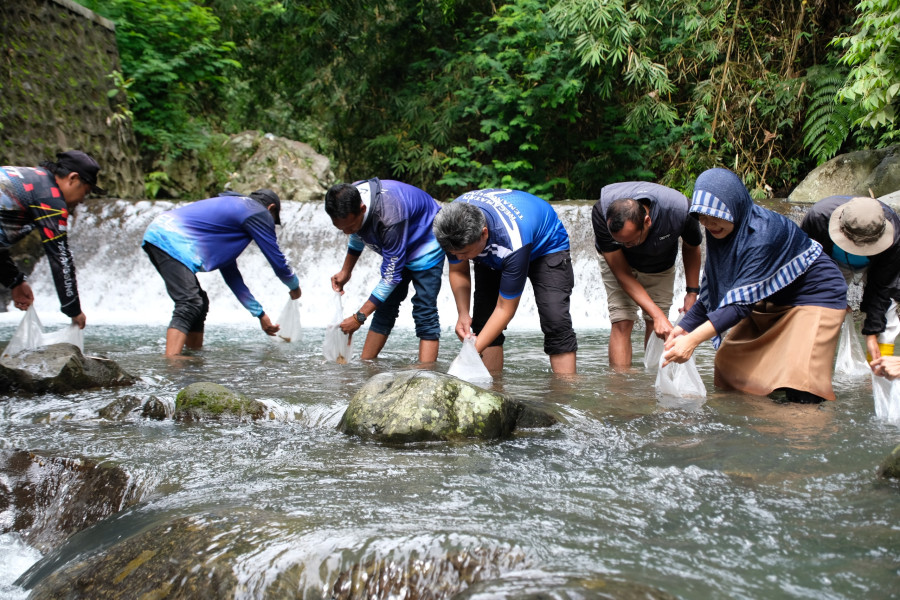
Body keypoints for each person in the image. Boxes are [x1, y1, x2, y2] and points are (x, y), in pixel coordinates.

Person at [663, 168, 848, 402]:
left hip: (815, 295)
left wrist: (692, 340)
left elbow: (739, 306)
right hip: (771, 296)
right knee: (729, 365)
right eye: (702, 216)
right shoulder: (720, 232)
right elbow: (715, 293)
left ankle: (803, 431)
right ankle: (755, 424)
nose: (709, 224)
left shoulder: (763, 234)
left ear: (734, 207)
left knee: (802, 383)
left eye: (716, 216)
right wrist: (684, 327)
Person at [432, 188, 577, 374]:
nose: (460, 258)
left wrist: (467, 356)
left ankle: (565, 395)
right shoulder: (451, 228)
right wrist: (463, 313)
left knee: (555, 320)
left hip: (546, 246)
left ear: (484, 233)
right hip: (493, 249)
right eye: (455, 254)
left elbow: (505, 309)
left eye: (464, 253)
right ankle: (492, 391)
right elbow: (458, 270)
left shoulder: (511, 241)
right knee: (483, 323)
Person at [142, 189, 301, 356]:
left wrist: (260, 314)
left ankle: (192, 357)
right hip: (170, 238)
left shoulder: (228, 222)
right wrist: (294, 285)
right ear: (271, 208)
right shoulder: (258, 211)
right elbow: (278, 262)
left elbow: (232, 277)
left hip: (159, 232)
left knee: (200, 302)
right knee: (189, 302)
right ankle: (172, 361)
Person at [325, 179, 444, 362]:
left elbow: (390, 278)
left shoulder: (389, 216)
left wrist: (359, 318)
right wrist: (346, 271)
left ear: (363, 209)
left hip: (425, 241)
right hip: (398, 242)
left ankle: (426, 373)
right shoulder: (349, 196)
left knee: (424, 309)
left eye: (349, 226)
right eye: (341, 228)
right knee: (385, 306)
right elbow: (357, 234)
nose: (346, 232)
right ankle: (366, 363)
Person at [592, 182, 702, 369]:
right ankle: (621, 387)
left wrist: (692, 292)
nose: (627, 246)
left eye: (631, 240)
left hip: (660, 262)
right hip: (618, 264)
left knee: (656, 326)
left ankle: (653, 386)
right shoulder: (602, 213)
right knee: (622, 320)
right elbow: (623, 274)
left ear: (647, 221)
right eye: (621, 242)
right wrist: (657, 313)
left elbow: (692, 246)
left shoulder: (680, 211)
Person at [0, 150, 104, 329]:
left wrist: (15, 281)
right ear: (72, 178)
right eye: (85, 192)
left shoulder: (32, 179)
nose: (81, 201)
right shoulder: (50, 198)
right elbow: (60, 257)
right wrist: (73, 310)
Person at [800, 195, 900, 363]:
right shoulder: (819, 218)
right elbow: (807, 266)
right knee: (819, 311)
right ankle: (810, 365)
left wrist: (871, 333)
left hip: (875, 265)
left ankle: (878, 373)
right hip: (831, 263)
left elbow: (882, 287)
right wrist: (833, 296)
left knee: (887, 318)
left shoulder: (895, 235)